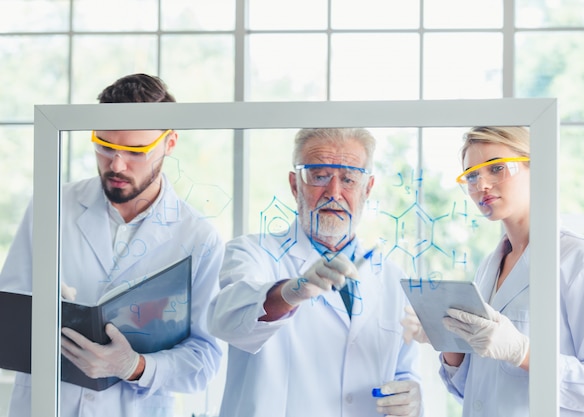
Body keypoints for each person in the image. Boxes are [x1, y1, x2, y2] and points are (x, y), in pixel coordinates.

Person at [0, 73, 224, 417]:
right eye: (105, 146)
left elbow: (204, 358)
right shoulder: (51, 204)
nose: (116, 165)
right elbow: (8, 310)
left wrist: (134, 366)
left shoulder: (198, 238)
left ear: (171, 143)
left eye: (135, 151)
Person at [402, 126, 584, 416]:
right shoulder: (488, 268)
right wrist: (450, 343)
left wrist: (524, 353)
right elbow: (477, 396)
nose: (481, 184)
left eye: (496, 168)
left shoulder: (582, 260)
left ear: (537, 167)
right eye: (471, 175)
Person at [207, 128, 423, 417]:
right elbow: (226, 320)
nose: (334, 192)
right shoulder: (251, 252)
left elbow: (404, 371)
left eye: (348, 179)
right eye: (319, 176)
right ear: (295, 184)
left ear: (367, 188)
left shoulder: (392, 279)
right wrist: (290, 292)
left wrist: (411, 397)